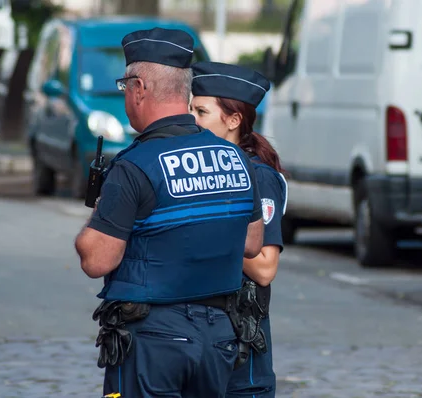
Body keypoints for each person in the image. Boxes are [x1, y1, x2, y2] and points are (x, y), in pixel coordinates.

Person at [74, 28, 264, 398]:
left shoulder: (134, 165)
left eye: (124, 86)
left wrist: (95, 219)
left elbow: (96, 259)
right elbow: (252, 243)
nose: (126, 95)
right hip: (220, 337)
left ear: (139, 87)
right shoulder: (236, 158)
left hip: (153, 340)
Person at [190, 61, 288, 398]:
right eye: (190, 109)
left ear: (233, 120)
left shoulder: (258, 175)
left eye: (201, 112)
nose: (192, 120)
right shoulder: (203, 171)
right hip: (202, 344)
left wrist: (203, 229)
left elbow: (264, 268)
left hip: (243, 351)